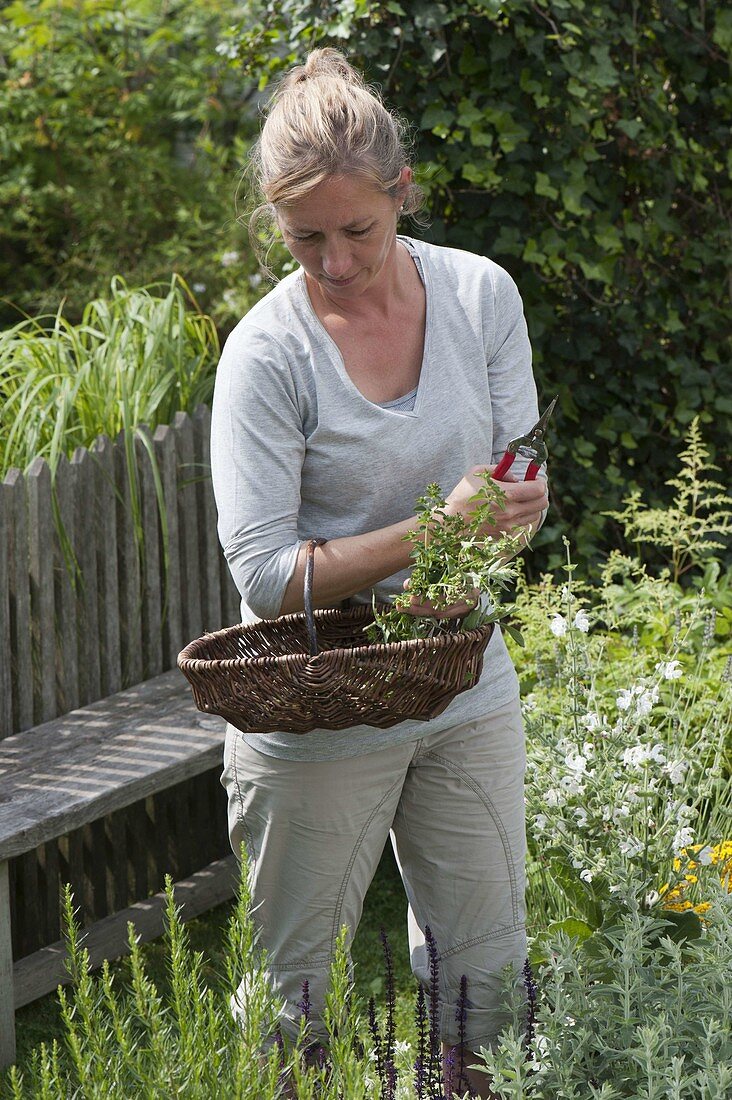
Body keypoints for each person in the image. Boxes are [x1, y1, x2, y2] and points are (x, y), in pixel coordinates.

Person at [211, 47, 549, 1098]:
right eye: (305, 236)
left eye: (358, 229)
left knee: (486, 982)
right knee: (293, 1004)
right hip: (314, 703)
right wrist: (432, 527)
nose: (337, 260)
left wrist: (500, 527)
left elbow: (519, 473)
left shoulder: (480, 294)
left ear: (402, 194)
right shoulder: (267, 356)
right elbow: (267, 573)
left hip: (461, 676)